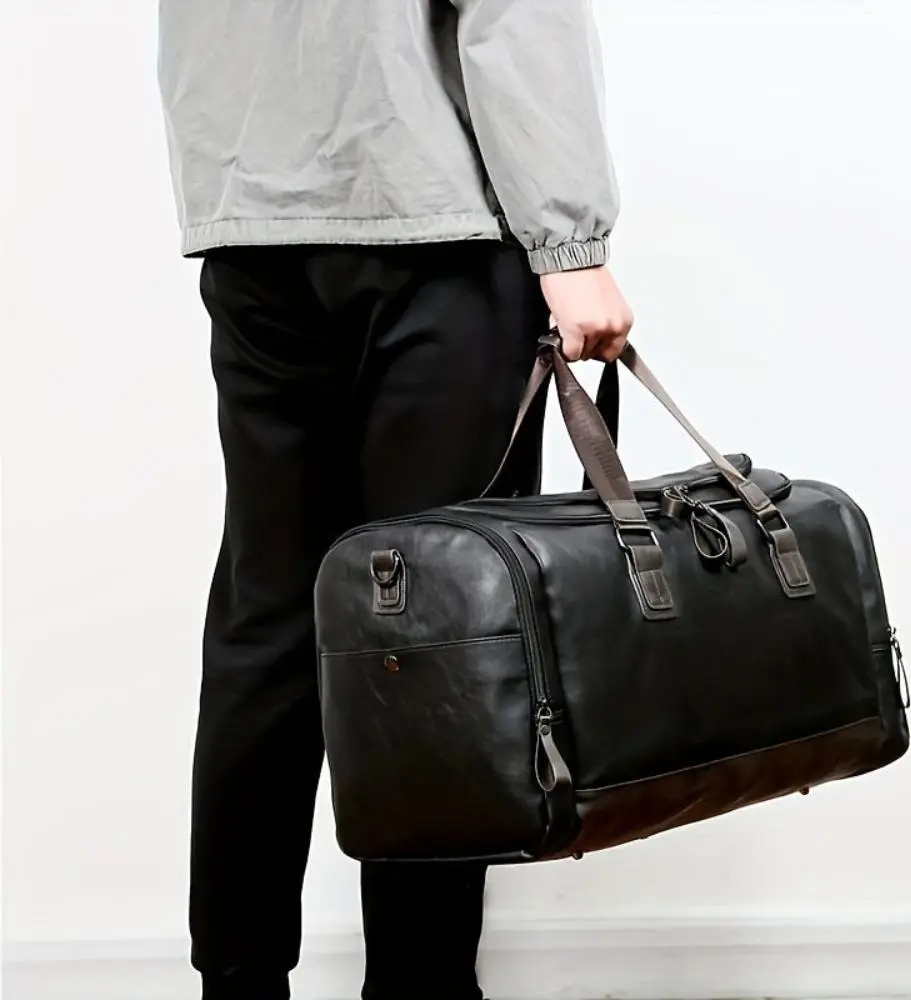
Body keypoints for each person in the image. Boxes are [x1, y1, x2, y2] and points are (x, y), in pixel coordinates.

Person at [157, 2, 633, 998]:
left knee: (267, 619)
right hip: (432, 228)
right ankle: (423, 986)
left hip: (252, 223)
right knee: (441, 631)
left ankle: (237, 977)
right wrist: (571, 244)